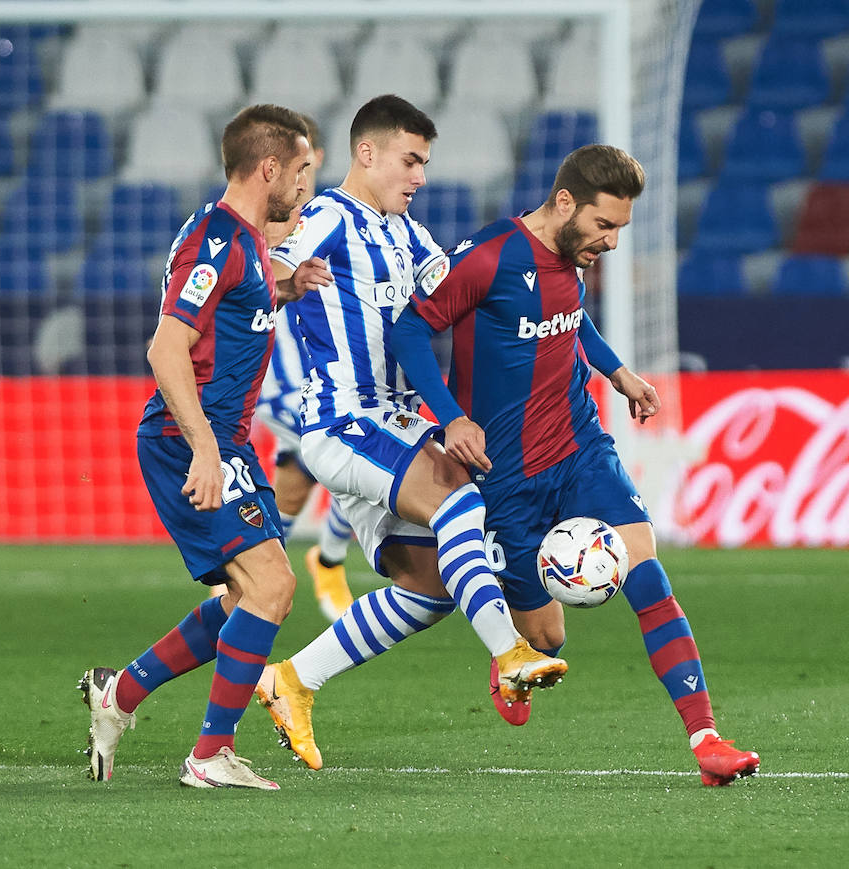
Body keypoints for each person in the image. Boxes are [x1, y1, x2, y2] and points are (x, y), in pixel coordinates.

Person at [391, 144, 760, 786]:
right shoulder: (488, 257)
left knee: (646, 574)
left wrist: (617, 372)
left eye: (619, 228)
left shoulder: (572, 256)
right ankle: (516, 653)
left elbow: (571, 319)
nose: (612, 242)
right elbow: (408, 332)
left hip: (581, 450)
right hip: (509, 479)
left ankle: (706, 739)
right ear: (565, 202)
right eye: (604, 225)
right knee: (549, 636)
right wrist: (451, 417)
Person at [252, 94, 567, 770]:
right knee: (456, 492)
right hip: (344, 417)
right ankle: (508, 652)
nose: (420, 176)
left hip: (390, 426)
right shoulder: (329, 217)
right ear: (367, 153)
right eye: (411, 160)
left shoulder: (409, 236)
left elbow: (466, 284)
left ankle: (293, 679)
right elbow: (274, 264)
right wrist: (278, 277)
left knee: (430, 589)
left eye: (425, 163)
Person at [77, 104, 324, 791]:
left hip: (224, 440)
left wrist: (288, 284)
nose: (305, 186)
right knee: (271, 584)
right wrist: (206, 450)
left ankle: (120, 693)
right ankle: (209, 756)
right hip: (192, 439)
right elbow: (166, 347)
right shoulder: (218, 240)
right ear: (269, 168)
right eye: (301, 170)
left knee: (246, 595)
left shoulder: (237, 239)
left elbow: (234, 299)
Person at [255, 113, 359, 621]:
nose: (304, 171)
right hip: (278, 377)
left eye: (309, 161)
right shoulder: (267, 216)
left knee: (301, 478)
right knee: (355, 453)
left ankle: (257, 573)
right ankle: (325, 561)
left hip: (323, 367)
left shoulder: (331, 214)